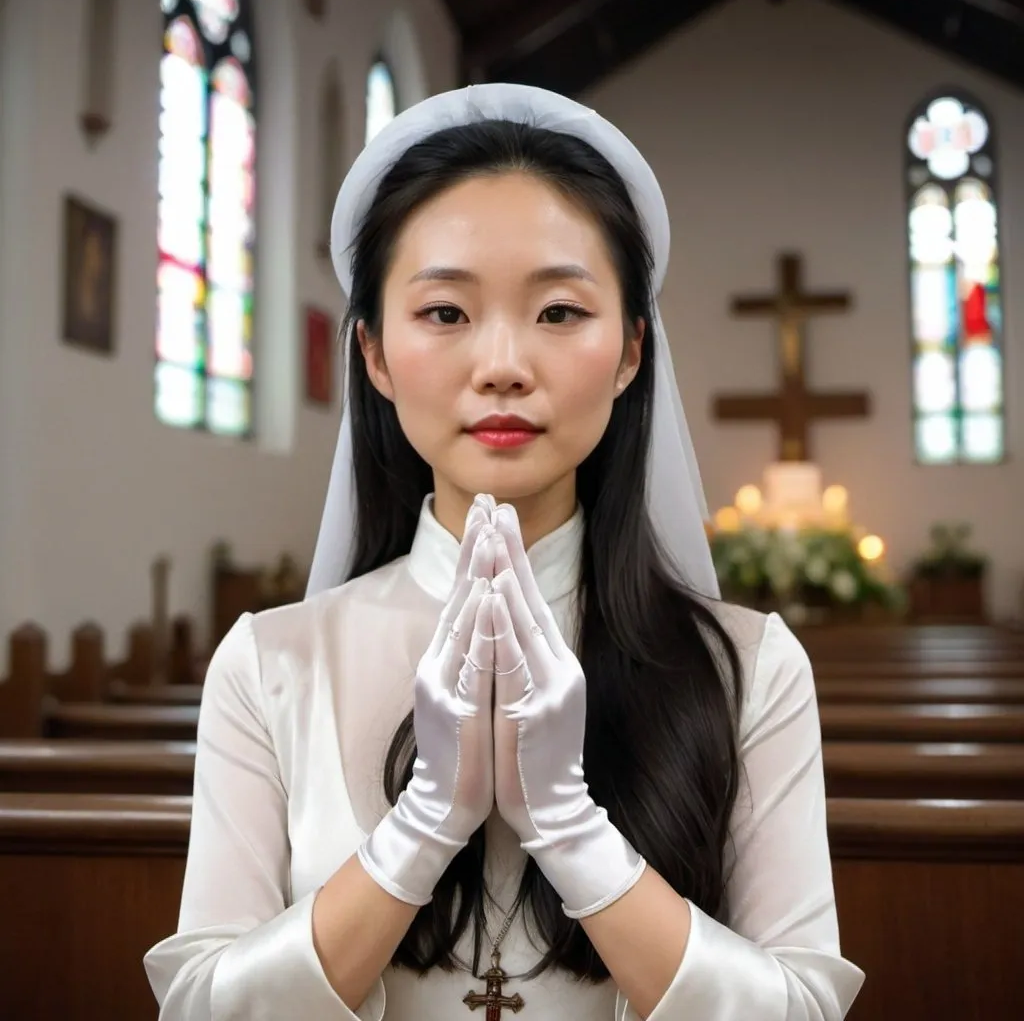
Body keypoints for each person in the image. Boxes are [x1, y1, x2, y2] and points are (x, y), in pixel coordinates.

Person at [144, 84, 865, 1020]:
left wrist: (568, 824)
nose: (503, 363)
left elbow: (805, 1009)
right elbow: (201, 1009)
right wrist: (426, 823)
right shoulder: (272, 664)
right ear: (372, 354)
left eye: (559, 313)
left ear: (631, 352)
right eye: (445, 313)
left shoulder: (749, 670)